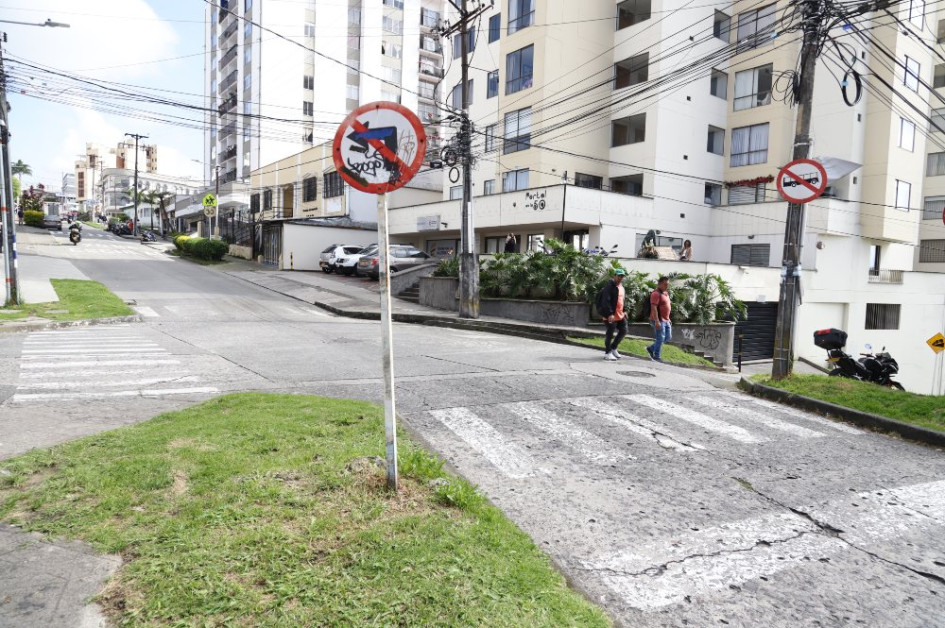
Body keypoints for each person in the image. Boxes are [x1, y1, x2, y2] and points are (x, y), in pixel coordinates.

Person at [600, 268, 628, 362]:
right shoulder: (609, 286)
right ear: (614, 276)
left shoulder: (621, 287)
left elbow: (622, 300)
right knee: (610, 333)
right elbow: (605, 301)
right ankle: (607, 353)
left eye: (622, 276)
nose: (620, 278)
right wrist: (609, 314)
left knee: (624, 330)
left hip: (620, 315)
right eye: (618, 276)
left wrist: (624, 311)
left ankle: (613, 348)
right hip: (610, 315)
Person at [646, 276, 672, 362]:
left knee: (668, 337)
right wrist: (657, 321)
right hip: (659, 320)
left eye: (668, 284)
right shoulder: (655, 294)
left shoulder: (665, 293)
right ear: (660, 284)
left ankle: (651, 348)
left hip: (666, 320)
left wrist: (668, 319)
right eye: (665, 284)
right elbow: (654, 308)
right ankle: (656, 356)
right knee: (660, 338)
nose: (667, 286)